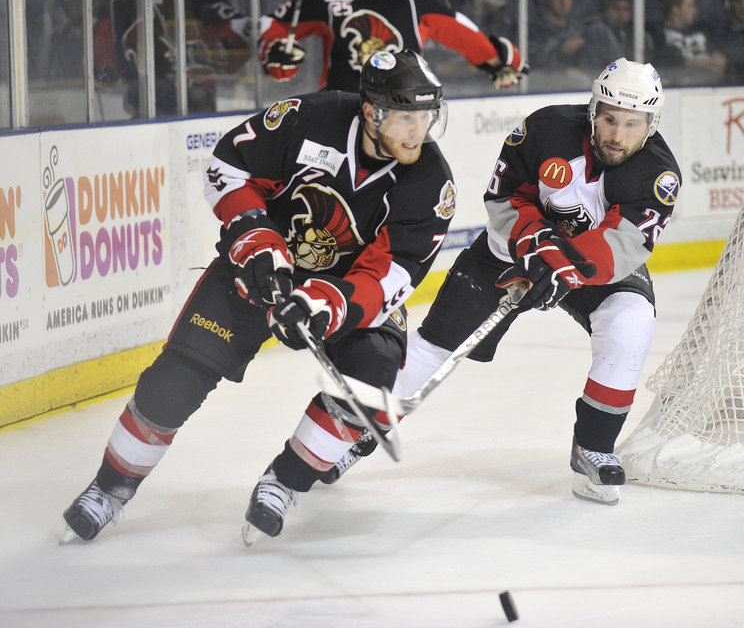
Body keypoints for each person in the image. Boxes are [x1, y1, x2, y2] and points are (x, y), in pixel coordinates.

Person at [61, 49, 456, 542]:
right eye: (405, 118)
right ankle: (108, 490)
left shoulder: (431, 182)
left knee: (370, 376)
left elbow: (392, 274)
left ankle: (283, 484)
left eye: (425, 116)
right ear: (372, 111)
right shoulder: (307, 120)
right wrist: (260, 247)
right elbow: (227, 167)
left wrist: (321, 303)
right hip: (259, 270)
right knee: (174, 379)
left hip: (342, 293)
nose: (418, 130)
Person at [332, 58, 682, 507]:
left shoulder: (658, 173)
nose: (617, 135)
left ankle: (593, 446)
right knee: (433, 349)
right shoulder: (544, 129)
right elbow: (504, 198)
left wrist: (562, 266)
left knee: (631, 324)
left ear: (650, 125)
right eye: (610, 118)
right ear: (593, 109)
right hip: (508, 253)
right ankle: (350, 433)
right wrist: (538, 249)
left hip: (594, 269)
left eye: (632, 124)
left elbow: (622, 245)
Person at [258, 0, 528, 93]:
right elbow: (275, 26)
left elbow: (454, 27)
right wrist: (276, 51)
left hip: (404, 106)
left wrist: (496, 60)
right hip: (340, 103)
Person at [93, 0, 251, 117]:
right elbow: (115, 65)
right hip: (149, 103)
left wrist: (210, 60)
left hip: (198, 98)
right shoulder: (121, 0)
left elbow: (239, 38)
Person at [649, 0, 726, 86]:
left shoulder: (701, 32)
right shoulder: (659, 35)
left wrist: (719, 59)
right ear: (675, 9)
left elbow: (719, 58)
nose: (694, 11)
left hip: (711, 84)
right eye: (690, 6)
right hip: (679, 86)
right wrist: (707, 63)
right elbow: (673, 64)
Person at [528, 0, 595, 91]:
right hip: (546, 78)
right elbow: (534, 59)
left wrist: (585, 39)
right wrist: (563, 70)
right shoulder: (535, 28)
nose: (563, 1)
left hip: (576, 76)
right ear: (545, 0)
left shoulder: (578, 27)